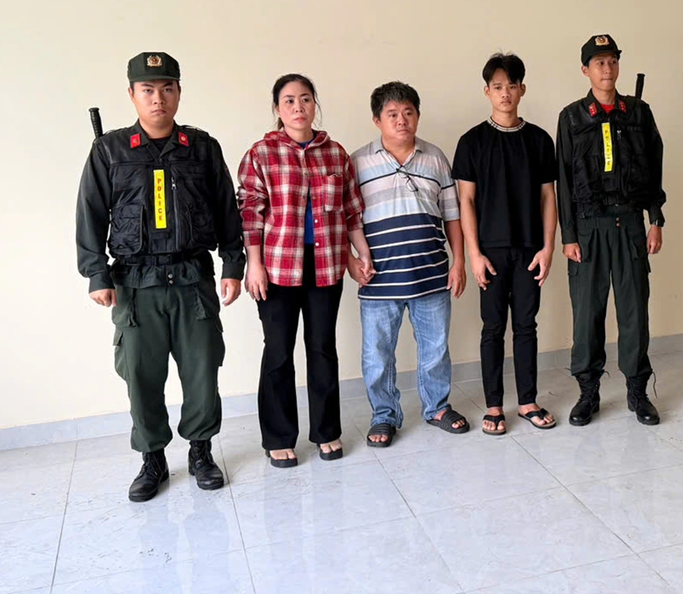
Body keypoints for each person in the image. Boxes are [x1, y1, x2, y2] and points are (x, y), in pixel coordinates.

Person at [76, 53, 245, 502]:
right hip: (135, 284)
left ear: (179, 93)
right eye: (148, 90)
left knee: (202, 371)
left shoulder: (202, 147)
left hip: (192, 280)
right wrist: (96, 274)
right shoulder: (110, 150)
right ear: (132, 95)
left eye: (167, 88)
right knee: (141, 376)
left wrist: (233, 265)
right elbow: (90, 214)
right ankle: (152, 459)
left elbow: (227, 208)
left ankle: (201, 452)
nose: (158, 98)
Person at [237, 74, 374, 468]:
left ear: (315, 104)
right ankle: (279, 437)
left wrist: (360, 255)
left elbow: (351, 212)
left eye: (305, 99)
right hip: (277, 269)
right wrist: (254, 265)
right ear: (277, 109)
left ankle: (327, 431)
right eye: (289, 101)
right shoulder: (261, 153)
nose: (298, 107)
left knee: (323, 349)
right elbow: (250, 214)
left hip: (326, 265)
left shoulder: (335, 153)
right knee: (278, 352)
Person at [349, 82, 470, 447]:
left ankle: (437, 407)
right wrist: (352, 261)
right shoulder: (357, 162)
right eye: (392, 114)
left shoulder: (436, 158)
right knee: (377, 356)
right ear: (377, 120)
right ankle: (384, 415)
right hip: (379, 280)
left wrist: (459, 262)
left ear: (417, 115)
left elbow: (452, 215)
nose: (401, 120)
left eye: (408, 113)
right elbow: (346, 218)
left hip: (431, 274)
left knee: (435, 349)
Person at [556, 34, 666, 427]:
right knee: (587, 314)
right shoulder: (572, 117)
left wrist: (655, 219)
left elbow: (654, 167)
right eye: (599, 62)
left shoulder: (638, 112)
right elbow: (563, 180)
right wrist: (568, 236)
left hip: (630, 224)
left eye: (613, 61)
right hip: (588, 230)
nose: (607, 68)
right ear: (585, 70)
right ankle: (588, 393)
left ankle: (638, 391)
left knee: (635, 311)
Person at [453, 53, 558, 435]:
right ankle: (494, 405)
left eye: (512, 85)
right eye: (497, 86)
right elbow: (465, 201)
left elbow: (548, 197)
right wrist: (474, 254)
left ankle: (528, 401)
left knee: (527, 326)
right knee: (493, 328)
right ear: (487, 91)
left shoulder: (540, 140)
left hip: (530, 248)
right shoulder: (472, 142)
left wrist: (548, 248)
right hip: (490, 252)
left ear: (522, 89)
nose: (505, 93)